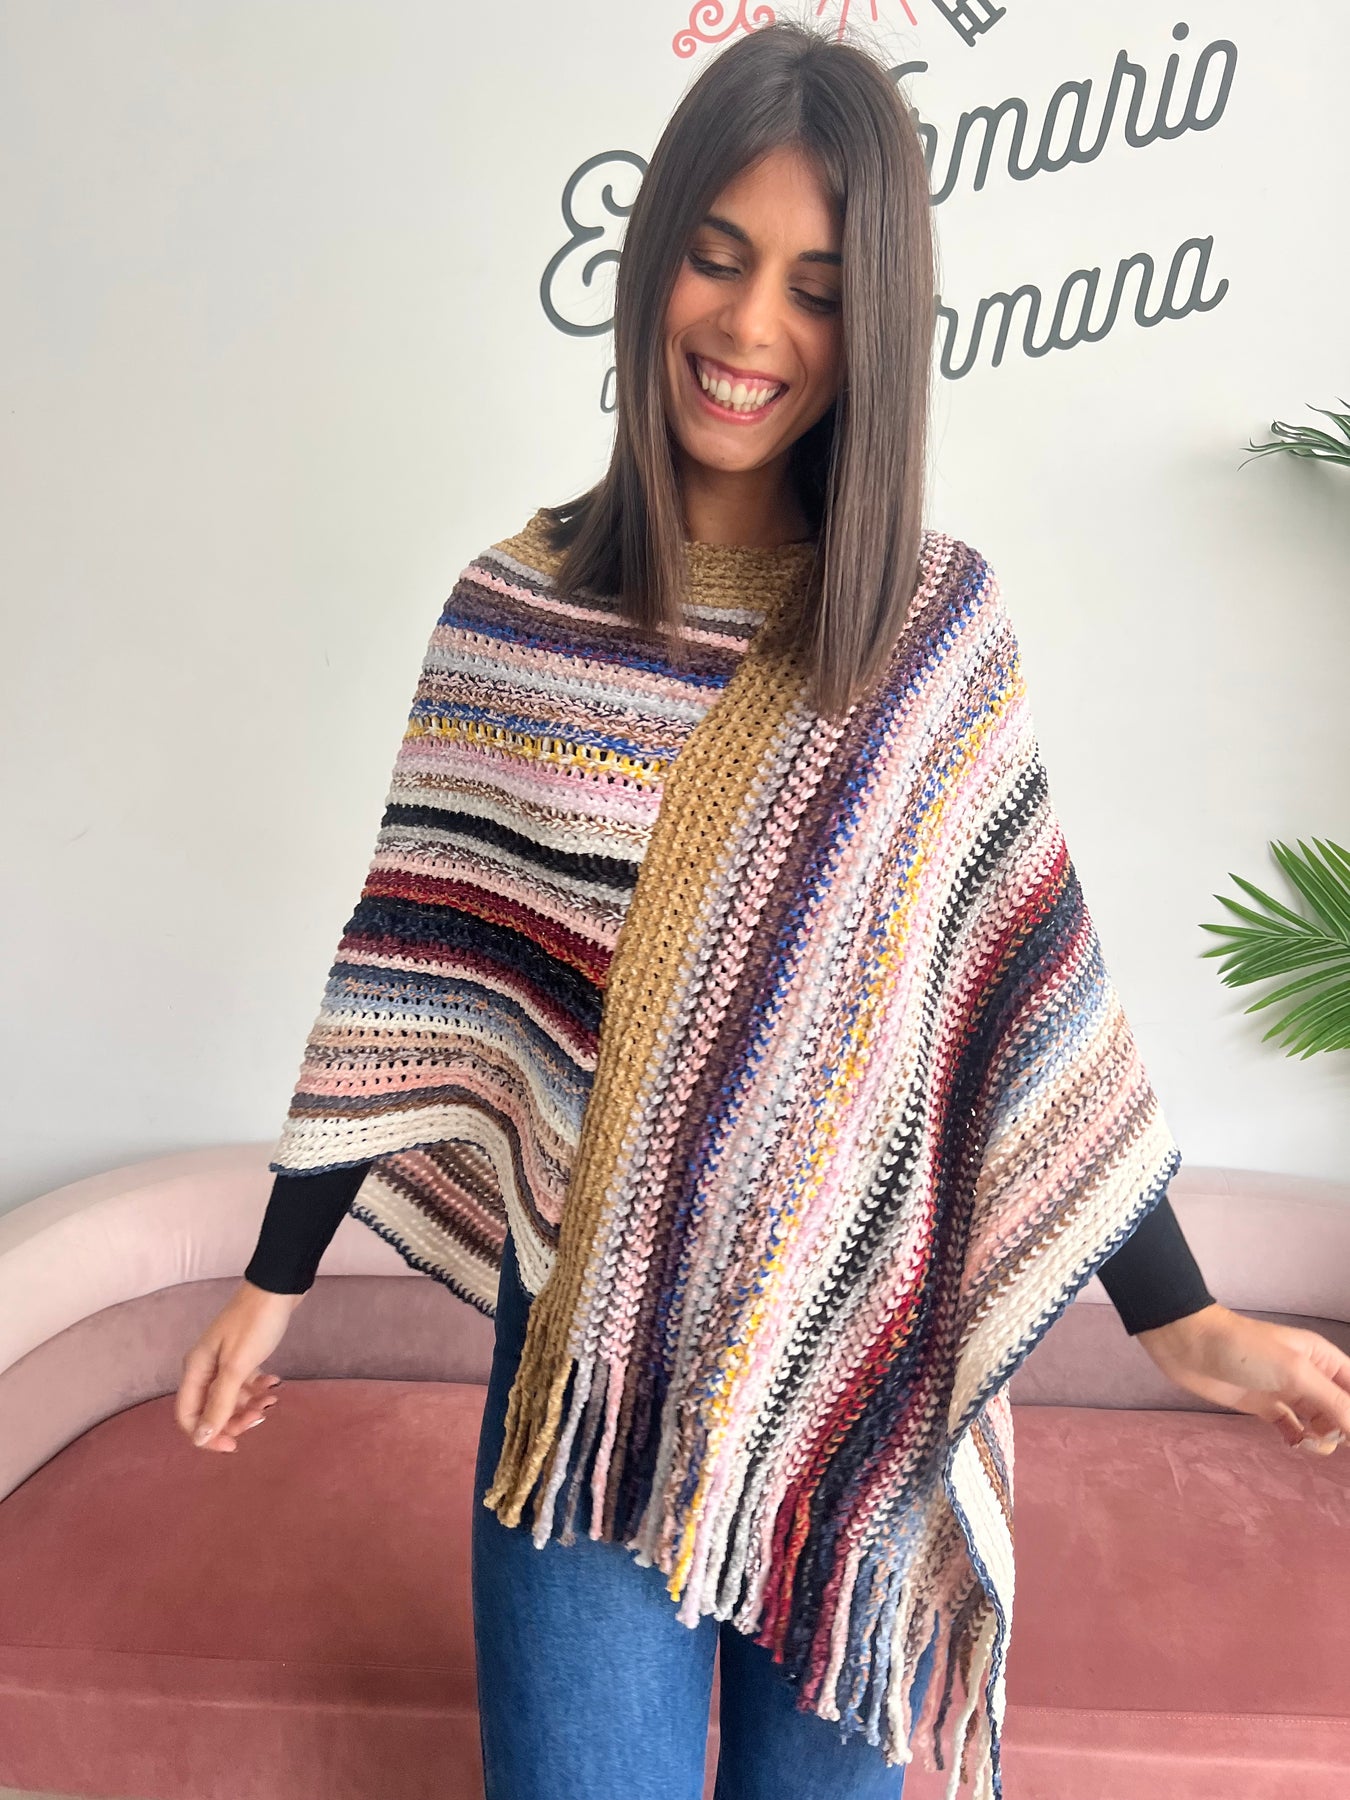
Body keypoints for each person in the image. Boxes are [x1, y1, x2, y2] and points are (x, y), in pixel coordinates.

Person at [175, 23, 1350, 1800]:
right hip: (589, 1384)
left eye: (816, 288)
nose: (749, 329)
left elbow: (1034, 1001)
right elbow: (409, 963)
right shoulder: (511, 614)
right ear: (653, 261)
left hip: (860, 1389)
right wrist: (276, 1276)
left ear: (873, 326)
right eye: (717, 259)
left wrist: (1182, 1319)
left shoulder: (929, 631)